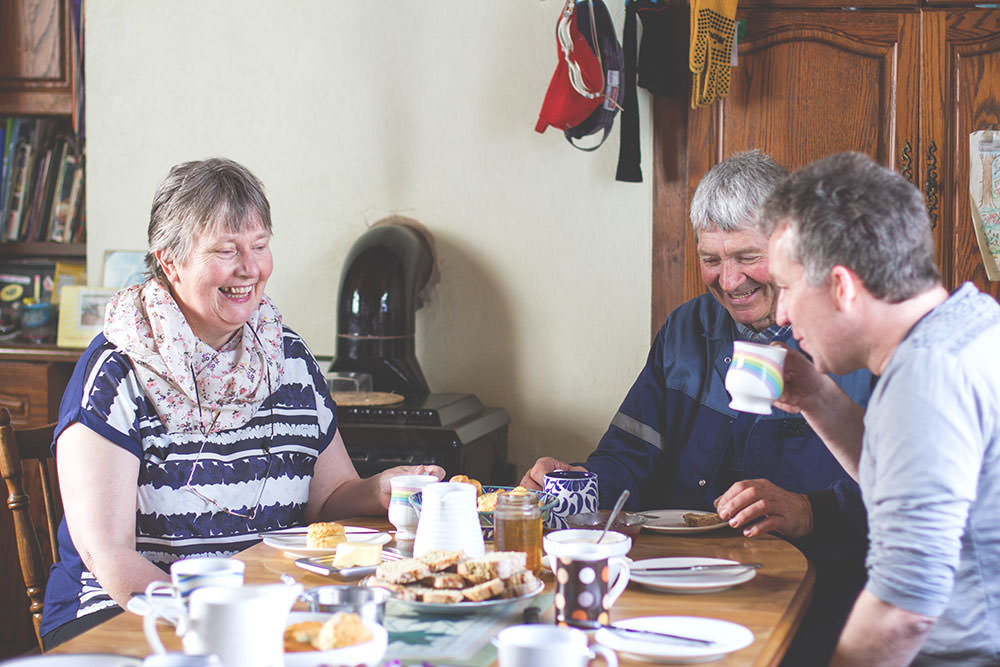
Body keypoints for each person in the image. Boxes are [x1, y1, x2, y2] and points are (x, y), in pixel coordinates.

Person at [40, 158, 444, 647]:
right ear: (170, 260)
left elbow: (329, 498)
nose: (250, 268)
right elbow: (109, 555)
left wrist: (378, 488)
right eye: (226, 250)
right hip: (124, 619)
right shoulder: (116, 373)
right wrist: (212, 624)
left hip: (260, 611)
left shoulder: (288, 358)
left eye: (259, 246)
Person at [520, 150, 875, 664]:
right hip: (668, 587)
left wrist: (809, 510)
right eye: (711, 259)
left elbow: (912, 504)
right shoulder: (686, 330)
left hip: (813, 596)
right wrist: (581, 485)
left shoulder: (852, 345)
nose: (728, 282)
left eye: (747, 257)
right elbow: (628, 455)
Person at [762, 151, 1000, 666]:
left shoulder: (925, 377)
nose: (779, 312)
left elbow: (902, 608)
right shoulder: (969, 323)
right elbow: (906, 479)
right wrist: (817, 398)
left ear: (842, 286)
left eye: (784, 288)